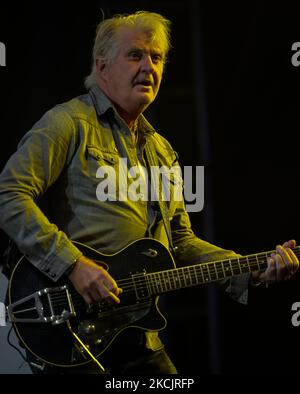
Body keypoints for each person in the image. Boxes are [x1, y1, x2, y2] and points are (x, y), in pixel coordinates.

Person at [0, 11, 298, 375]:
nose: (149, 66)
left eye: (156, 58)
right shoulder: (67, 123)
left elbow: (181, 243)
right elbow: (9, 195)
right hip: (71, 327)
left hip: (138, 336)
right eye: (135, 55)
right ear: (102, 65)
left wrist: (249, 269)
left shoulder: (163, 152)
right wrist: (73, 265)